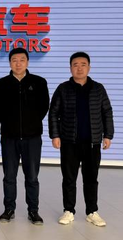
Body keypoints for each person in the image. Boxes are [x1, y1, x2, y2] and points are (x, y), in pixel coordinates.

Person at [49, 52, 114, 227]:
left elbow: (107, 112)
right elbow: (53, 113)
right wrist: (55, 135)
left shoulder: (98, 89)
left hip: (92, 142)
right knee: (69, 178)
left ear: (89, 67)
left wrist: (108, 135)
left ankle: (92, 211)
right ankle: (68, 210)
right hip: (69, 142)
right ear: (70, 68)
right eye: (75, 65)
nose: (79, 68)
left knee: (91, 178)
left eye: (83, 64)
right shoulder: (63, 88)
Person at [0, 47, 50, 224]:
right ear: (10, 63)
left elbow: (44, 107)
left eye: (22, 60)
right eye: (14, 60)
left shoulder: (39, 82)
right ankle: (9, 209)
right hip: (9, 138)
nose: (18, 64)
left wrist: (31, 122)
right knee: (9, 176)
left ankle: (33, 211)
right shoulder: (1, 84)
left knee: (32, 177)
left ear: (27, 62)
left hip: (32, 138)